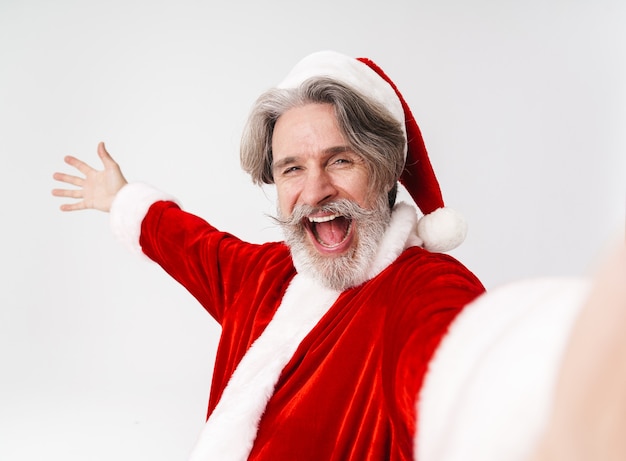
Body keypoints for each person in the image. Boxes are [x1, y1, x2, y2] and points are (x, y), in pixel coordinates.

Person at [52, 51, 625, 461]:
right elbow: (186, 242)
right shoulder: (263, 275)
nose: (315, 189)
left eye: (341, 160)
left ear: (384, 169)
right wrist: (120, 199)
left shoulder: (421, 290)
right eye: (292, 169)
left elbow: (469, 364)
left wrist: (578, 363)